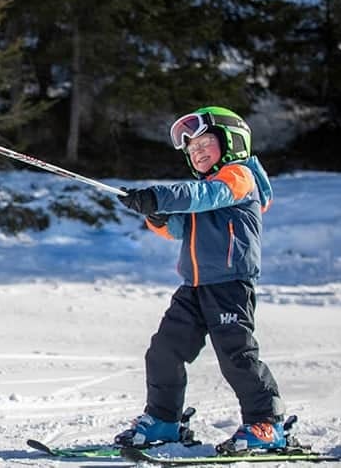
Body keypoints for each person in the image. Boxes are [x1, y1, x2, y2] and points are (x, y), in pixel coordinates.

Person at [114, 106, 287, 454]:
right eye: (192, 149)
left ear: (232, 142)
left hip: (230, 286)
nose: (198, 151)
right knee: (163, 351)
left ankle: (266, 423)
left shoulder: (239, 177)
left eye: (205, 142)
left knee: (236, 357)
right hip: (194, 287)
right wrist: (157, 214)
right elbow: (179, 227)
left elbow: (204, 197)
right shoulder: (207, 190)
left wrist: (160, 195)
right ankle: (164, 419)